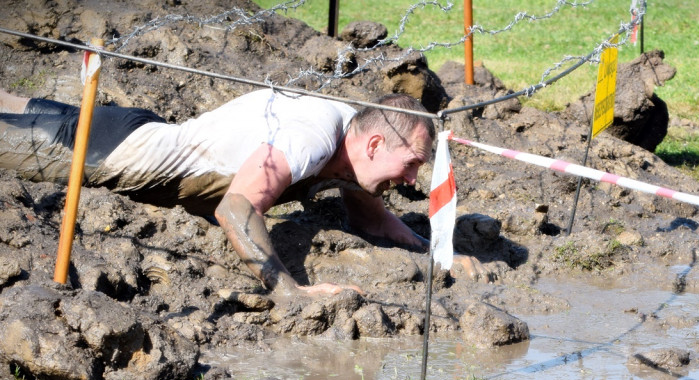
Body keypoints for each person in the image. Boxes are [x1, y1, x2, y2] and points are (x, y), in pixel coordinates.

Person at [0, 87, 483, 297]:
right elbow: (236, 207)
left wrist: (436, 254)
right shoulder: (314, 136)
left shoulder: (354, 145)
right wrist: (291, 294)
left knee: (25, 110)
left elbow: (371, 220)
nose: (413, 181)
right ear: (377, 143)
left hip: (135, 128)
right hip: (119, 153)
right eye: (413, 164)